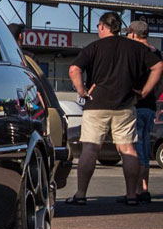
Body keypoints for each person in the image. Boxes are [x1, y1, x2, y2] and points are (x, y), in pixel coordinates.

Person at [67, 12, 163, 205]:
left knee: (90, 149)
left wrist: (82, 90)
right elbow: (158, 66)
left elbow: (73, 69)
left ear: (103, 26)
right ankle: (131, 195)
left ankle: (80, 194)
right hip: (126, 105)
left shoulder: (93, 47)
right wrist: (144, 91)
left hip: (96, 104)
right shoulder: (135, 47)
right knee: (128, 149)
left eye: (98, 26)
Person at [127, 20, 162, 202]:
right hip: (150, 106)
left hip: (138, 104)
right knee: (145, 146)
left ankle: (138, 191)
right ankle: (145, 188)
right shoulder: (156, 52)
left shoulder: (136, 53)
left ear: (133, 33)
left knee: (136, 147)